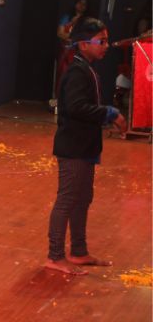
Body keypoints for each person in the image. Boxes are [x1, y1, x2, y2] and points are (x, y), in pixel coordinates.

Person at [46, 18, 127, 275]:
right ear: (83, 44)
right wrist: (110, 113)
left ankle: (79, 251)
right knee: (67, 200)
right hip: (73, 148)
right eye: (101, 41)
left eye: (106, 41)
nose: (106, 46)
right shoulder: (77, 72)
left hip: (85, 147)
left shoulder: (86, 69)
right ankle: (55, 256)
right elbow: (76, 108)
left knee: (82, 199)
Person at [54, 0, 90, 102]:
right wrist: (72, 24)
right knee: (63, 75)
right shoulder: (67, 17)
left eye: (84, 4)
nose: (81, 6)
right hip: (66, 52)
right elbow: (60, 33)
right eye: (80, 3)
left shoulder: (87, 21)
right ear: (75, 4)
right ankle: (59, 101)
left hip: (79, 52)